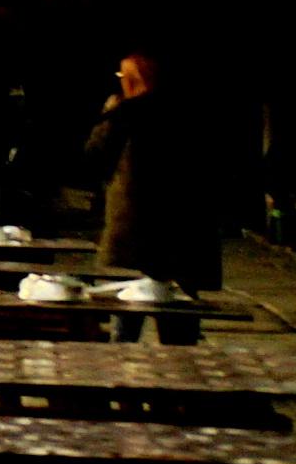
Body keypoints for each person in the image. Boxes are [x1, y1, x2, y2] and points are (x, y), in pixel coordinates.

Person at [71, 50, 217, 289]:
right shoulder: (186, 113)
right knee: (176, 311)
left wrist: (108, 113)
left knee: (124, 302)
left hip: (132, 227)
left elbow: (93, 158)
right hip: (181, 230)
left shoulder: (124, 114)